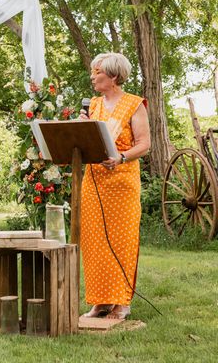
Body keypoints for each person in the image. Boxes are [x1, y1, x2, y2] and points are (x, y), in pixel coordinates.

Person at [79, 53, 151, 320]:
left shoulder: (134, 105)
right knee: (95, 242)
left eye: (96, 72)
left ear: (113, 76)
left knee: (122, 241)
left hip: (122, 182)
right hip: (94, 181)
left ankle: (121, 302)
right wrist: (81, 127)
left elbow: (144, 144)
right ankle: (100, 302)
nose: (92, 76)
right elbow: (88, 140)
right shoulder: (93, 105)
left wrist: (120, 157)